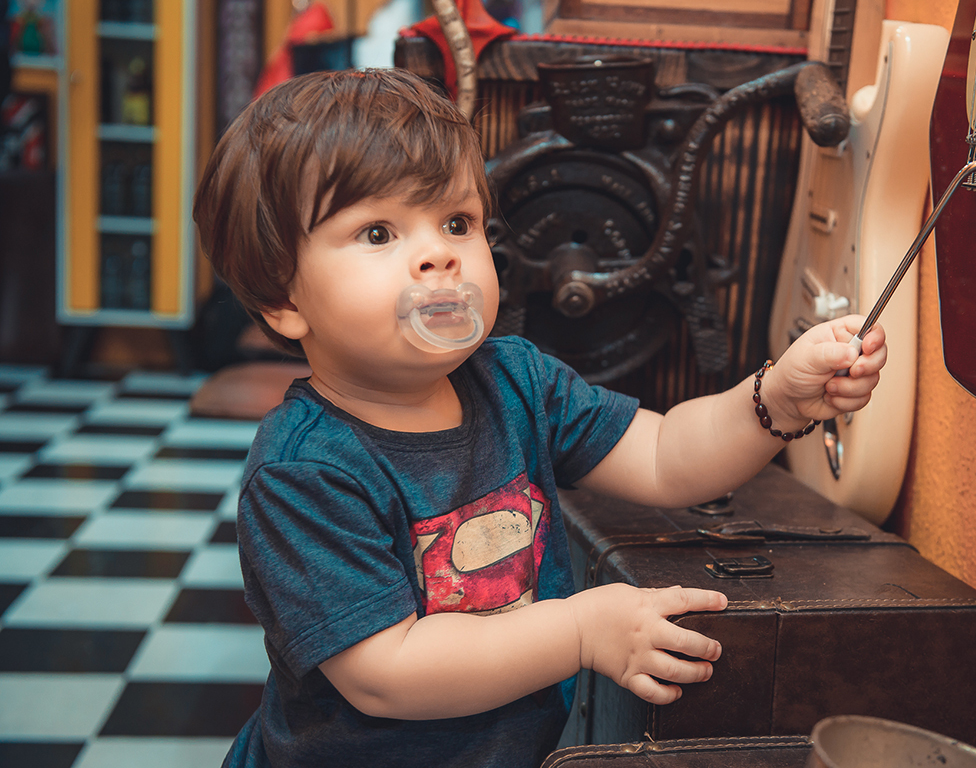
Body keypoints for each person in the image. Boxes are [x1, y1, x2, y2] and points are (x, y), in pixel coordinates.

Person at [193, 68, 887, 768]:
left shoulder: (516, 381)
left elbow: (666, 454)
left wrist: (774, 403)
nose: (439, 255)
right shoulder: (304, 471)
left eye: (457, 222)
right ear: (284, 298)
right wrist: (582, 629)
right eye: (379, 231)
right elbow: (385, 672)